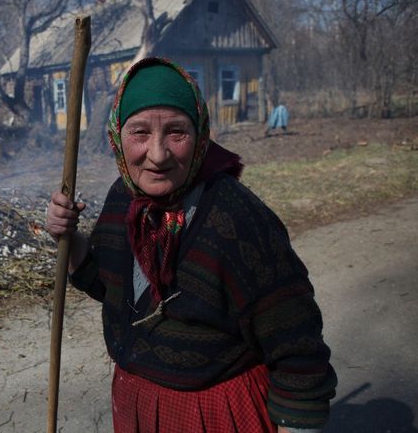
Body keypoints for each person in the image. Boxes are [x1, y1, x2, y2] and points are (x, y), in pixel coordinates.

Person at [46, 57, 336, 433]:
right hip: (135, 406)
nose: (158, 154)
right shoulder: (124, 198)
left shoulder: (237, 220)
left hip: (215, 414)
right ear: (117, 135)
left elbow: (298, 352)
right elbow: (109, 288)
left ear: (200, 134)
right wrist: (71, 240)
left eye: (176, 132)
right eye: (139, 133)